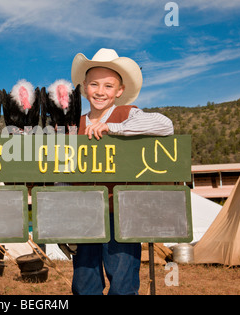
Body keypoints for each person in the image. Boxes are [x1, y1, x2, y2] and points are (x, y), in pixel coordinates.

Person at [70, 48, 174, 295]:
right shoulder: (74, 123)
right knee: (85, 284)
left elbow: (165, 125)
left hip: (121, 212)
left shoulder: (127, 114)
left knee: (123, 283)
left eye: (108, 86)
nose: (100, 91)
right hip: (85, 213)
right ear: (84, 88)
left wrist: (112, 128)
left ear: (119, 91)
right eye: (94, 84)